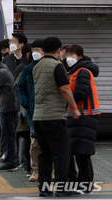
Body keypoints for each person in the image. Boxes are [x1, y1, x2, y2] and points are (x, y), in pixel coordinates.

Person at [32, 37, 81, 197]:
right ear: (59, 50)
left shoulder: (37, 66)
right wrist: (75, 109)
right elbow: (65, 89)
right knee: (61, 153)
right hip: (54, 116)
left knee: (44, 153)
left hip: (39, 117)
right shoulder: (57, 66)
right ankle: (62, 187)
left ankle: (44, 189)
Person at [65, 44, 100, 194]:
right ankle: (81, 183)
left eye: (70, 55)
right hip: (77, 116)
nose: (67, 58)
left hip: (85, 115)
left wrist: (66, 99)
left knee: (82, 152)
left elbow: (81, 92)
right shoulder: (74, 71)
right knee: (78, 151)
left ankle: (85, 184)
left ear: (79, 56)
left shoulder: (83, 71)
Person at [17, 39, 44, 182]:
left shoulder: (54, 67)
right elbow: (19, 87)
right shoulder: (27, 70)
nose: (35, 53)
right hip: (32, 112)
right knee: (34, 144)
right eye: (33, 50)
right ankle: (35, 171)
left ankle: (51, 170)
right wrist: (24, 101)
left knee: (48, 143)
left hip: (48, 113)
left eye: (38, 50)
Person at [13, 43, 32, 176]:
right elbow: (17, 88)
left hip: (26, 109)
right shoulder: (24, 69)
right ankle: (26, 165)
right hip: (26, 110)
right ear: (29, 54)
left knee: (27, 138)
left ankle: (27, 165)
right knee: (26, 138)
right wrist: (24, 102)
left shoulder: (25, 67)